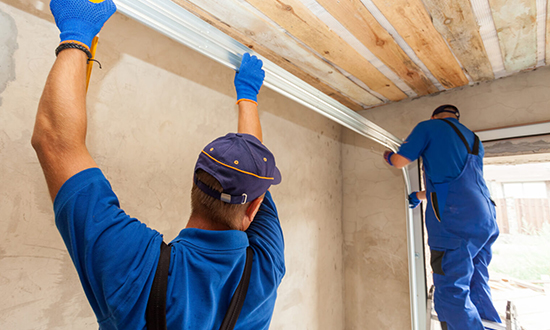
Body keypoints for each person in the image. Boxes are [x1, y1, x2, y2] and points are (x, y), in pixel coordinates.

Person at [31, 0, 284, 329]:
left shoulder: (140, 271)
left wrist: (78, 31)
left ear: (194, 184)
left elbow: (56, 143)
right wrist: (247, 95)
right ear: (253, 209)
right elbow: (53, 143)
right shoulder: (266, 264)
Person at [382, 105, 501, 330]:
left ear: (433, 116)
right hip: (485, 218)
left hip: (456, 226)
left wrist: (388, 155)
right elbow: (458, 185)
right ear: (457, 118)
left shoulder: (428, 127)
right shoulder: (473, 138)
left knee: (451, 293)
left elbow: (399, 161)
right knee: (477, 281)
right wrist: (418, 195)